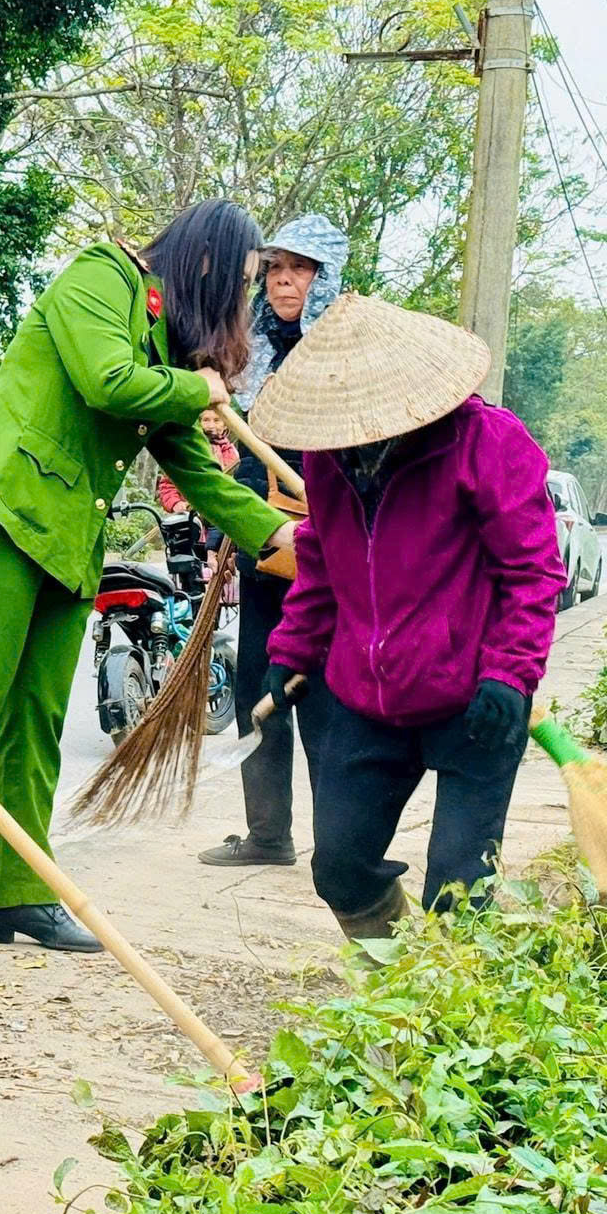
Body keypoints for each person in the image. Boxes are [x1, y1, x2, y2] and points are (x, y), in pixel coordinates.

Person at [0, 200, 299, 958]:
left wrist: (279, 534)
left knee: (36, 723)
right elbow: (108, 381)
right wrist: (195, 389)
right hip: (4, 514)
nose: (237, 301)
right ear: (204, 262)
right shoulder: (100, 277)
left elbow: (197, 472)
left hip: (69, 541)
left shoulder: (165, 343)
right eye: (237, 282)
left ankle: (23, 893)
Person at [253, 294, 567, 938]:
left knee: (458, 896)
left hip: (475, 703)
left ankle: (445, 1020)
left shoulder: (490, 443)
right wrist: (290, 653)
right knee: (338, 867)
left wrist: (510, 674)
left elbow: (534, 574)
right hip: (366, 700)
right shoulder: (330, 454)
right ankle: (395, 986)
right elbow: (321, 559)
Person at [197, 213, 349, 870]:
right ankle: (267, 835)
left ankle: (340, 844)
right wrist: (221, 529)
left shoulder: (345, 348)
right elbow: (234, 458)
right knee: (255, 681)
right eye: (278, 269)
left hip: (331, 543)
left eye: (301, 270)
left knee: (319, 691)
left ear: (325, 277)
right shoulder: (249, 348)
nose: (286, 282)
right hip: (265, 541)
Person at [157, 408, 239, 514]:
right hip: (192, 516)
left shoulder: (233, 454)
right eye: (206, 420)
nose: (211, 425)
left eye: (217, 420)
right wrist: (175, 503)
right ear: (200, 423)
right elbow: (168, 484)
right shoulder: (187, 449)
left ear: (225, 425)